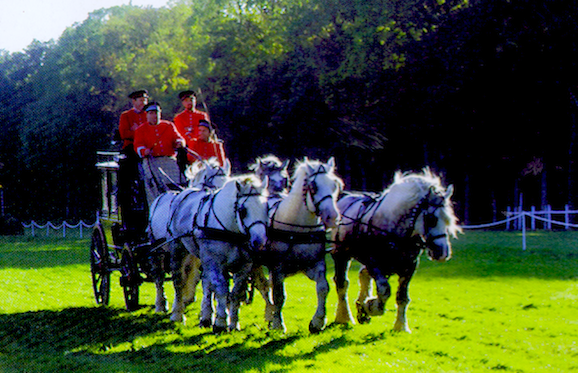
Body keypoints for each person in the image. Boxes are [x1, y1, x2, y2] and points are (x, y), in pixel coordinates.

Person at [134, 102, 186, 206]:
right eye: (151, 113)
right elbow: (138, 146)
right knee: (153, 185)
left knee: (177, 184)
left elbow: (179, 138)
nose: (155, 116)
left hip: (169, 160)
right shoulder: (141, 129)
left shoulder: (168, 125)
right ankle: (155, 209)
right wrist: (144, 151)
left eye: (156, 113)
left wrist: (180, 143)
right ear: (147, 115)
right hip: (151, 161)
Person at [117, 89, 149, 242]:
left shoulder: (149, 114)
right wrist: (141, 133)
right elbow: (124, 134)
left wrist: (138, 132)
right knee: (128, 175)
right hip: (131, 150)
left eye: (144, 99)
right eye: (140, 100)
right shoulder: (126, 116)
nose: (143, 102)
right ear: (134, 102)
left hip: (148, 149)